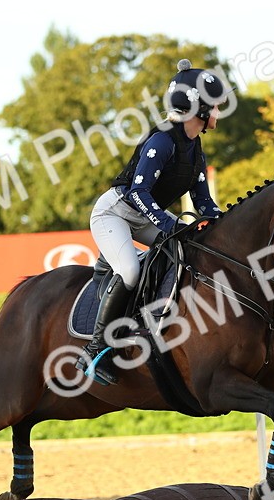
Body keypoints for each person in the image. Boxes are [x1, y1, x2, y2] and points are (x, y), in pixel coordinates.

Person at [75, 58, 230, 386]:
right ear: (198, 109)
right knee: (130, 270)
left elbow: (203, 202)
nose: (218, 112)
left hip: (144, 213)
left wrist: (226, 222)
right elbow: (138, 193)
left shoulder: (194, 147)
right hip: (115, 213)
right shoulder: (162, 141)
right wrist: (167, 224)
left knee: (190, 247)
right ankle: (95, 348)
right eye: (214, 106)